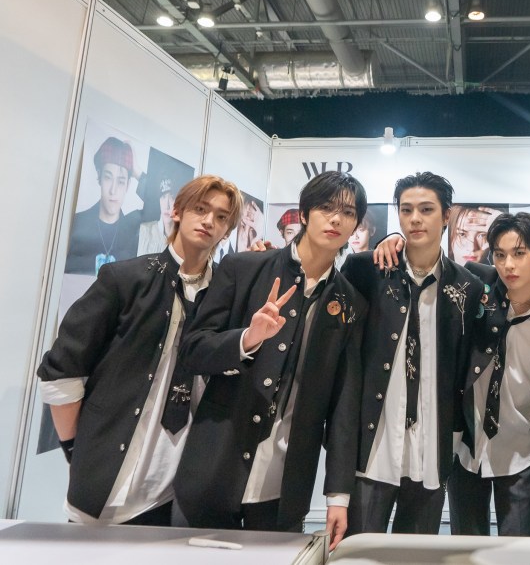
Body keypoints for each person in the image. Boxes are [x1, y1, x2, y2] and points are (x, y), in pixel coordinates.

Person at [174, 171, 367, 549]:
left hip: (285, 485)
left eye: (347, 213)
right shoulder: (243, 268)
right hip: (214, 468)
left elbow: (344, 403)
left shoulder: (350, 303)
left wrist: (338, 495)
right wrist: (247, 339)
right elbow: (192, 350)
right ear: (304, 213)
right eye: (326, 208)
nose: (336, 219)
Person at [37, 175, 243, 525]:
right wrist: (76, 447)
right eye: (200, 208)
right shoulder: (125, 279)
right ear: (177, 211)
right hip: (110, 480)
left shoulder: (228, 292)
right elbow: (62, 368)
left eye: (222, 217)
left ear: (228, 230)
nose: (209, 221)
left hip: (183, 485)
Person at [342, 172, 485, 535]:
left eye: (426, 209)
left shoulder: (467, 287)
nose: (415, 219)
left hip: (431, 445)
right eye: (406, 210)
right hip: (374, 443)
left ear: (446, 215)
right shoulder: (367, 270)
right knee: (359, 551)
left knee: (417, 553)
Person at [449, 212, 530, 536]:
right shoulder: (477, 286)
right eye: (500, 255)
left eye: (519, 253)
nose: (508, 265)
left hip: (519, 448)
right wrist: (393, 241)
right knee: (465, 548)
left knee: (519, 549)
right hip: (465, 447)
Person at [65, 137, 144, 275]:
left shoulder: (134, 231)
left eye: (120, 181)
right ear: (99, 177)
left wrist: (138, 172)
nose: (113, 190)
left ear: (128, 185)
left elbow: (161, 209)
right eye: (108, 177)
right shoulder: (78, 222)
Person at [137, 177, 177, 255]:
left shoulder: (183, 238)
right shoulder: (145, 230)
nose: (167, 206)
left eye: (172, 198)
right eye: (163, 197)